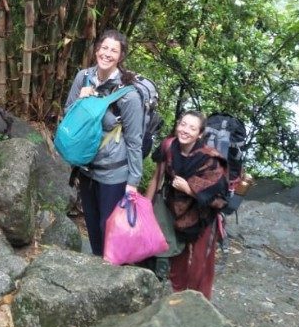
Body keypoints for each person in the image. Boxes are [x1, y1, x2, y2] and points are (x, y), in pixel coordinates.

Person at [64, 29, 143, 256]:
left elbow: (134, 141)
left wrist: (133, 182)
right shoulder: (83, 77)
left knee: (109, 229)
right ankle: (98, 273)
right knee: (93, 228)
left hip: (113, 173)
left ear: (121, 56)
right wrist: (81, 99)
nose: (107, 54)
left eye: (114, 50)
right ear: (97, 49)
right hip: (87, 167)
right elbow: (68, 112)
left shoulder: (128, 94)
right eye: (104, 48)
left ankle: (112, 276)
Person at [145, 110, 228, 299]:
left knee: (200, 264)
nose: (185, 130)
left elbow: (220, 197)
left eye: (192, 128)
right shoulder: (168, 146)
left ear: (200, 134)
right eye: (183, 124)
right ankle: (179, 297)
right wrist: (145, 207)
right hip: (174, 211)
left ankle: (198, 303)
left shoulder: (210, 159)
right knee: (177, 256)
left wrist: (189, 189)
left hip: (203, 216)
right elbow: (157, 177)